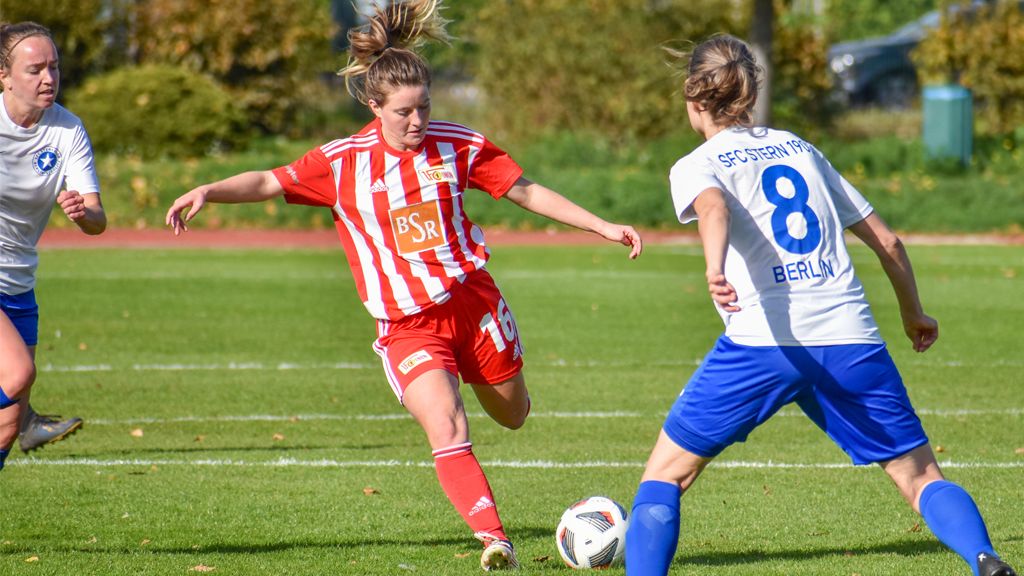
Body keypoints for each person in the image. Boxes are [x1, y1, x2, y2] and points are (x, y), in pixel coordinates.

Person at [165, 0, 642, 570]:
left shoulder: (457, 144)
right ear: (374, 106)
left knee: (512, 414)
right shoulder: (343, 162)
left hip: (474, 304)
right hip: (408, 326)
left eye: (424, 107)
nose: (417, 122)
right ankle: (495, 540)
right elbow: (270, 179)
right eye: (404, 112)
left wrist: (603, 226)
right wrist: (208, 190)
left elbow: (525, 190)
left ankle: (485, 389)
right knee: (445, 421)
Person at [624, 34, 1016, 576]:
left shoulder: (698, 163)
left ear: (693, 98)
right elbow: (889, 242)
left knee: (665, 476)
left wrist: (713, 266)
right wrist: (913, 313)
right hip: (850, 337)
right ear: (753, 93)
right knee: (921, 476)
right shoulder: (800, 149)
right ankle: (984, 558)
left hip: (763, 345)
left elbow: (713, 207)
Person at [0, 21, 107, 471]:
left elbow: (98, 220)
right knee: (19, 373)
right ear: (4, 76)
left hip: (19, 282)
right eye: (35, 69)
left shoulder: (67, 130)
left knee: (10, 420)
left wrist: (84, 213)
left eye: (54, 67)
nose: (49, 78)